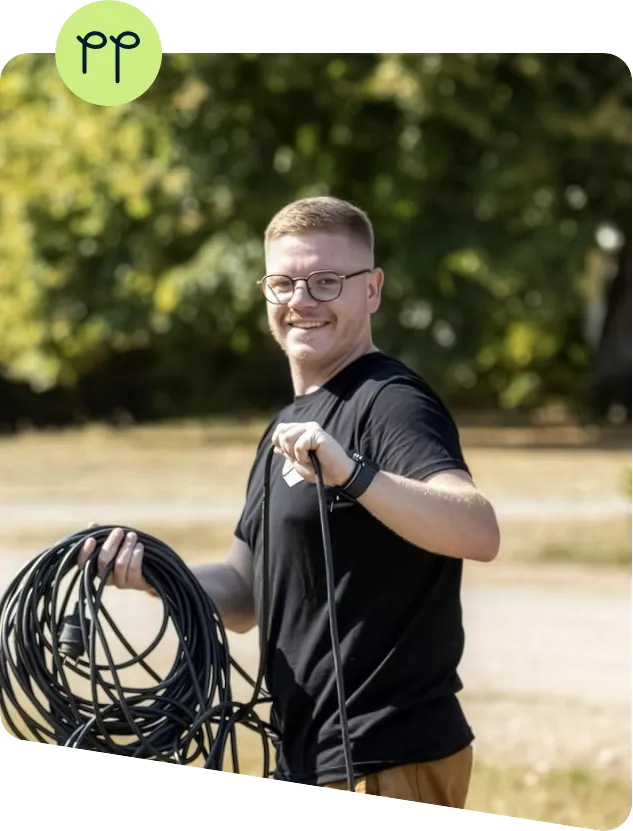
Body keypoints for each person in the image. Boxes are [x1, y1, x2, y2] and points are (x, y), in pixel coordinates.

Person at [78, 196, 500, 807]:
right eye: (284, 283)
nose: (301, 300)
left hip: (388, 757)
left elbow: (477, 529)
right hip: (312, 755)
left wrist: (352, 473)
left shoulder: (389, 400)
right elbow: (245, 591)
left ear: (372, 290)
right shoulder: (290, 423)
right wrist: (153, 572)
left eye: (327, 282)